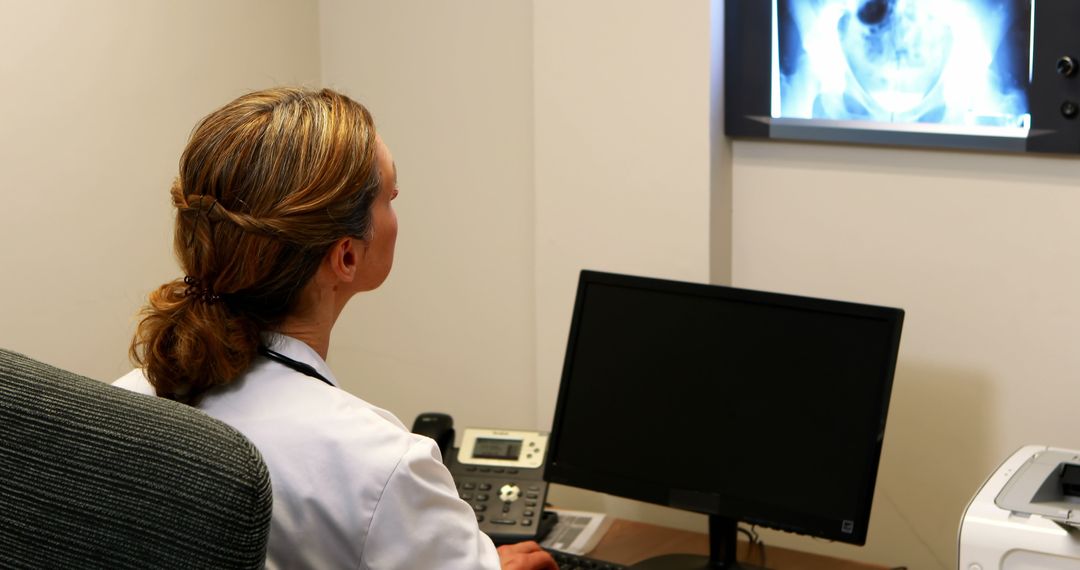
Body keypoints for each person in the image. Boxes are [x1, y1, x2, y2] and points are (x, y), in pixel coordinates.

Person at [114, 87, 558, 570]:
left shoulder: (121, 407)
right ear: (345, 256)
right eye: (389, 196)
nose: (397, 204)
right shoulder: (381, 467)